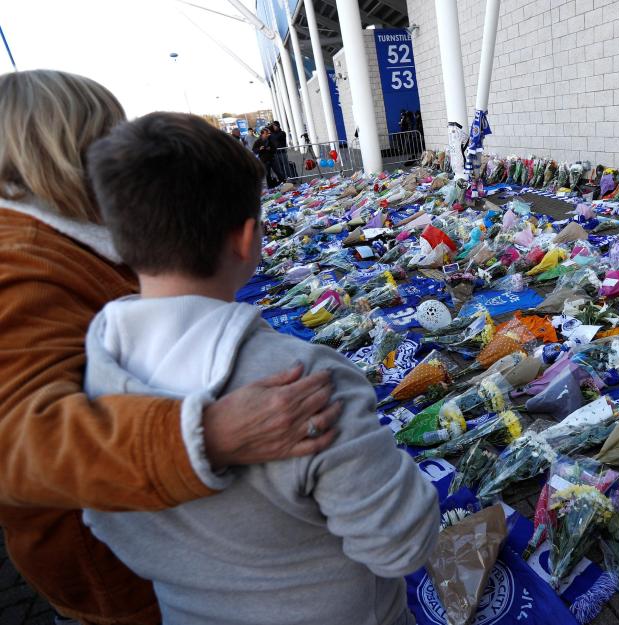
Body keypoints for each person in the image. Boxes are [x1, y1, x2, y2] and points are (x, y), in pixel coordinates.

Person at [0, 70, 343, 625]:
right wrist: (208, 434)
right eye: (109, 136)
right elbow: (16, 440)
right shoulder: (18, 261)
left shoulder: (59, 241)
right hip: (121, 577)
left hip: (154, 547)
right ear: (66, 148)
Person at [84, 111, 439, 625]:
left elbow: (101, 523)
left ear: (118, 241)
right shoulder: (304, 384)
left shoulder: (92, 375)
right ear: (247, 240)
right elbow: (400, 546)